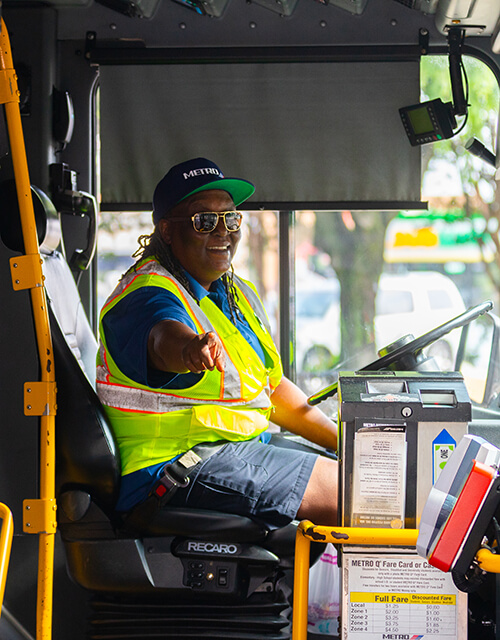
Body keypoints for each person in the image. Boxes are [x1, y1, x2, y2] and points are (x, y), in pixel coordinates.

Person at [97, 157, 338, 529]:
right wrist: (191, 351)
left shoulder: (232, 294)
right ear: (167, 231)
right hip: (170, 471)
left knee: (361, 476)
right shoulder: (145, 294)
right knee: (354, 493)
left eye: (231, 219)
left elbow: (270, 388)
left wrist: (342, 442)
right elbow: (163, 337)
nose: (223, 232)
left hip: (234, 449)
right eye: (204, 221)